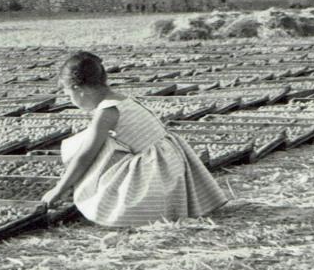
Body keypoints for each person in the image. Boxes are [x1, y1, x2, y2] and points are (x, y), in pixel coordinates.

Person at [41, 51, 227, 227]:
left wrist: (59, 189)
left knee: (86, 146)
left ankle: (116, 204)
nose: (72, 101)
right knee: (95, 140)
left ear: (78, 89)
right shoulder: (123, 99)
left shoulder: (107, 112)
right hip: (171, 166)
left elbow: (85, 156)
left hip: (155, 174)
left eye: (69, 95)